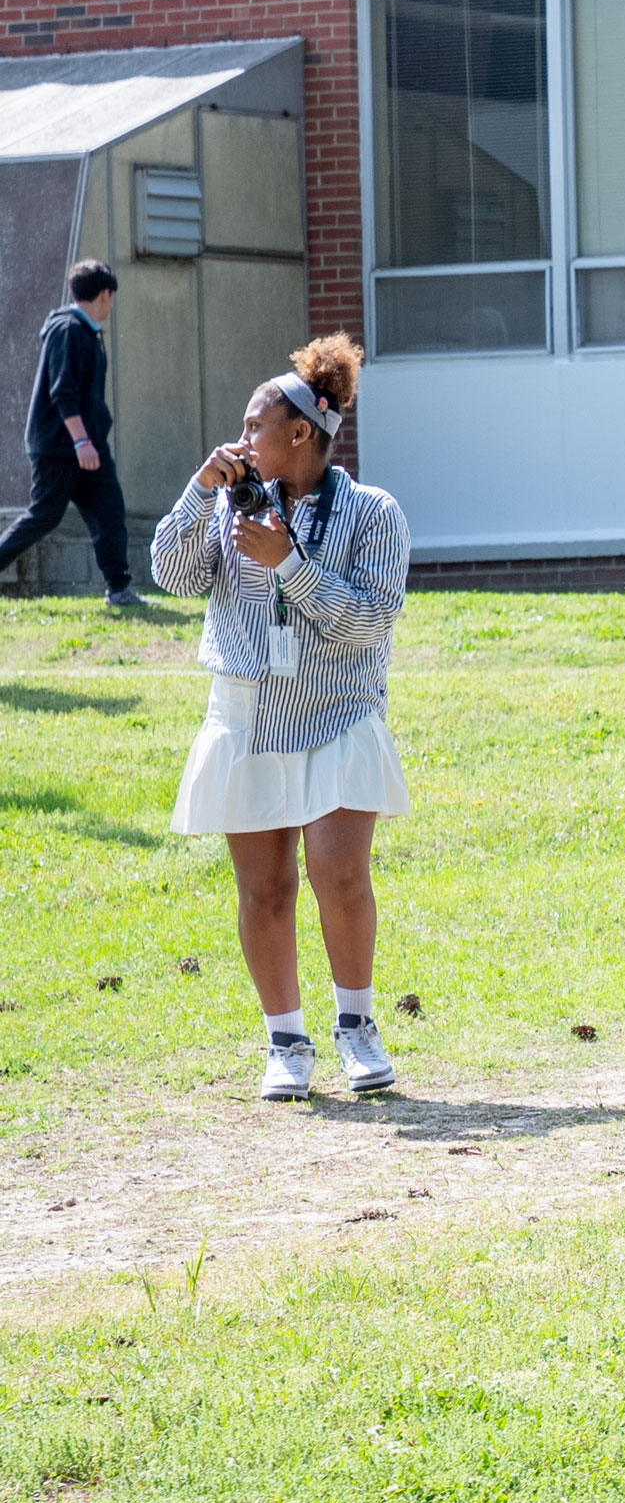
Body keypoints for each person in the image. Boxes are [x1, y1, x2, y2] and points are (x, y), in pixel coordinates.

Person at [149, 335, 413, 1102]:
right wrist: (200, 491)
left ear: (300, 433)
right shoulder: (230, 503)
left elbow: (367, 624)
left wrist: (286, 564)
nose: (239, 441)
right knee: (264, 890)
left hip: (336, 712)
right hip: (247, 715)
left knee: (339, 875)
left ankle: (357, 1028)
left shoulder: (372, 514)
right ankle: (285, 1043)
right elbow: (170, 574)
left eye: (252, 426)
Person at [1, 261, 135, 606]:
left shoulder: (87, 332)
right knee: (44, 516)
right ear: (105, 295)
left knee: (109, 511)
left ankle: (119, 589)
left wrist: (90, 442)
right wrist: (80, 440)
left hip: (88, 446)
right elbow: (62, 392)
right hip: (61, 447)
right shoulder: (67, 330)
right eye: (112, 298)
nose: (112, 305)